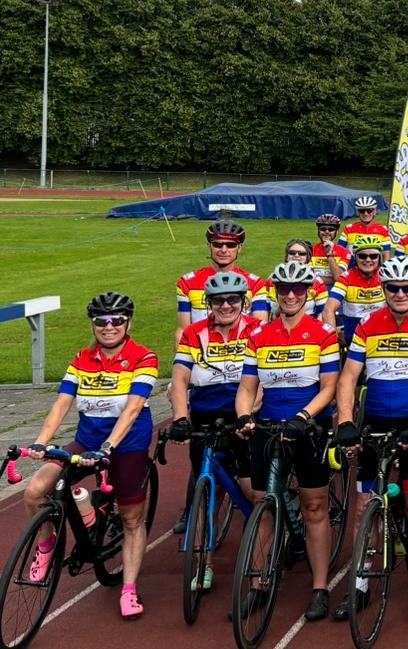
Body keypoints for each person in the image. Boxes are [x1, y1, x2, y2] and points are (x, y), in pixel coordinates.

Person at [20, 292, 158, 620]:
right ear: (93, 324)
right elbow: (62, 403)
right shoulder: (82, 358)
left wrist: (109, 447)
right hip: (85, 441)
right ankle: (46, 547)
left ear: (129, 323)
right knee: (34, 491)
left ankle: (128, 588)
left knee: (130, 519)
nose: (108, 327)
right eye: (101, 321)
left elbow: (133, 408)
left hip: (126, 445)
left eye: (116, 321)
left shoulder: (143, 357)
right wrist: (41, 442)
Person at [332, 255, 408, 624]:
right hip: (376, 425)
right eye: (392, 288)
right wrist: (347, 422)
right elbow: (349, 377)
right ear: (383, 288)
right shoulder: (369, 324)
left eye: (407, 287)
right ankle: (361, 586)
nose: (400, 294)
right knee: (363, 504)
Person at [237, 261, 341, 620]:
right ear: (276, 293)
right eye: (284, 289)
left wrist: (303, 418)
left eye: (298, 290)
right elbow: (247, 386)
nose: (291, 295)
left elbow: (329, 387)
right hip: (268, 428)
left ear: (308, 293)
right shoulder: (259, 336)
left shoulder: (323, 333)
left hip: (308, 428)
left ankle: (319, 587)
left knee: (314, 507)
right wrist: (245, 416)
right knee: (263, 499)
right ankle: (256, 586)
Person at [170, 270, 257, 534]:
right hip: (205, 418)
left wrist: (250, 413)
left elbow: (263, 379)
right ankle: (201, 566)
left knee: (252, 489)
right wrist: (180, 419)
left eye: (233, 299)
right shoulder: (194, 334)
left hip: (245, 418)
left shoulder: (257, 330)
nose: (226, 306)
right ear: (208, 303)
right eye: (218, 301)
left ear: (244, 301)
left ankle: (269, 538)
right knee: (207, 492)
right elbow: (180, 378)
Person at [175, 219, 269, 353]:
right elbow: (183, 330)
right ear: (209, 247)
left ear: (239, 248)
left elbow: (260, 330)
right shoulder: (187, 283)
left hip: (242, 355)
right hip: (202, 354)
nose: (224, 250)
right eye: (218, 244)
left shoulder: (256, 284)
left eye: (230, 245)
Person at [324, 243, 386, 344]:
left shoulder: (385, 276)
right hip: (353, 337)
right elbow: (328, 309)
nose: (368, 260)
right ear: (355, 258)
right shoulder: (346, 277)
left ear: (379, 258)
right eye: (362, 256)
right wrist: (332, 340)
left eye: (373, 256)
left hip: (380, 336)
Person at [310, 214, 350, 287]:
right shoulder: (310, 249)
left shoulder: (344, 252)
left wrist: (329, 254)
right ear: (318, 231)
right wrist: (331, 279)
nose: (327, 232)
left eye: (331, 229)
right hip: (313, 290)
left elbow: (338, 278)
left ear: (337, 232)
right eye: (323, 229)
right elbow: (305, 277)